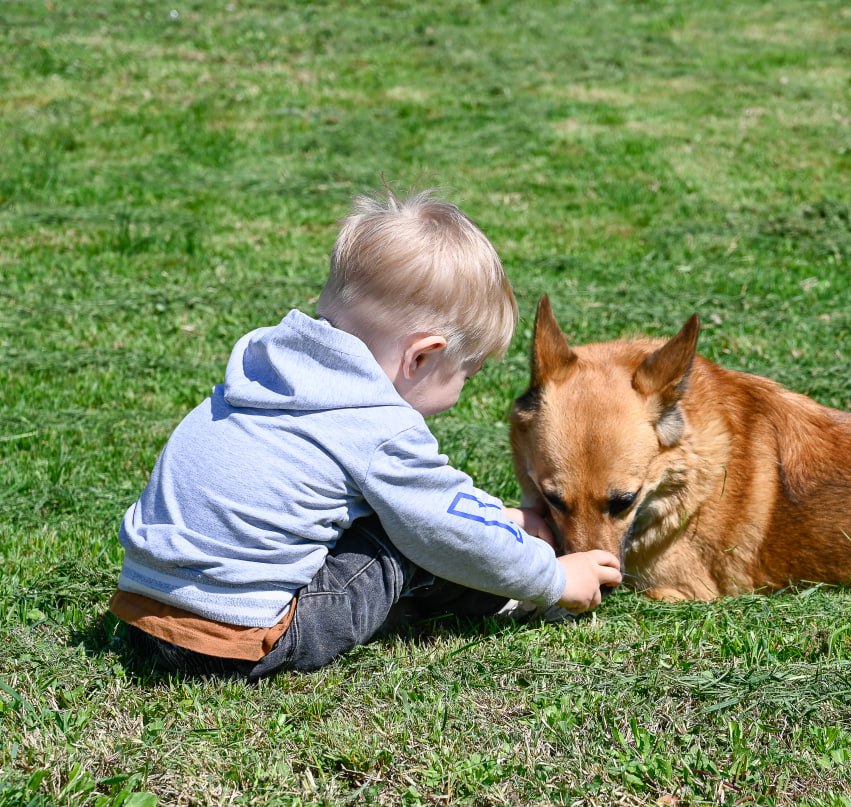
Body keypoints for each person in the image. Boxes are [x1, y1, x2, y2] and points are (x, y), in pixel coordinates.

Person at [110, 189, 621, 678]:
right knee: (407, 537)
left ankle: (492, 553)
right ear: (421, 358)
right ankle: (506, 596)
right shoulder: (375, 423)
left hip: (141, 614)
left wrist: (498, 517)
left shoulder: (266, 371)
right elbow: (442, 528)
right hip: (241, 637)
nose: (463, 391)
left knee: (406, 512)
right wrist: (557, 578)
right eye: (467, 374)